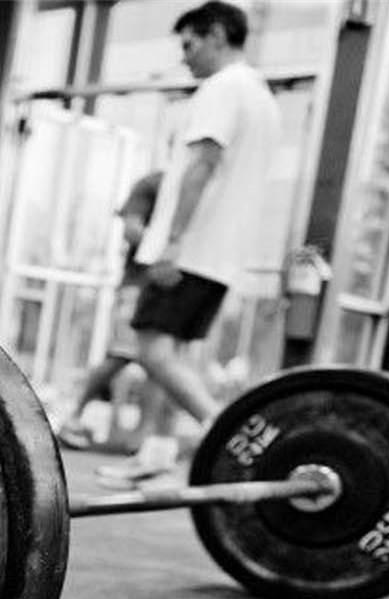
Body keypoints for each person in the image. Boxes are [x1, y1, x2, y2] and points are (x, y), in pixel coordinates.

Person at [96, 0, 280, 485]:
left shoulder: (224, 87)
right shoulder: (260, 95)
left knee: (153, 353)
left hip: (190, 251)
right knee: (171, 357)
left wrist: (173, 242)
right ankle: (157, 454)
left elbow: (202, 166)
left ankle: (238, 441)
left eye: (190, 44)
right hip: (219, 256)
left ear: (216, 34)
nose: (186, 57)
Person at [56, 170, 164, 451]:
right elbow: (131, 228)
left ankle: (141, 439)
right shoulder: (152, 183)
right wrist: (168, 250)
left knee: (159, 365)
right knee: (120, 355)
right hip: (138, 286)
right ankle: (74, 417)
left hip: (166, 290)